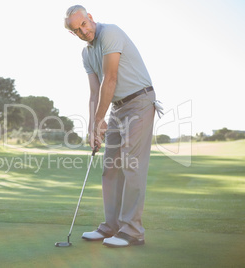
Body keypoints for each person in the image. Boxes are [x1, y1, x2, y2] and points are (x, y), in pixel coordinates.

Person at [64, 5, 161, 248]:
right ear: (73, 34)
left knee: (131, 164)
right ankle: (112, 226)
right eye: (77, 30)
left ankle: (133, 231)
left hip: (139, 101)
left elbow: (111, 78)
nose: (83, 31)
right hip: (117, 106)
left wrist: (99, 120)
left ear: (91, 18)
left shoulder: (110, 33)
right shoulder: (87, 54)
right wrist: (92, 127)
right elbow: (95, 92)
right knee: (110, 167)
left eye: (84, 24)